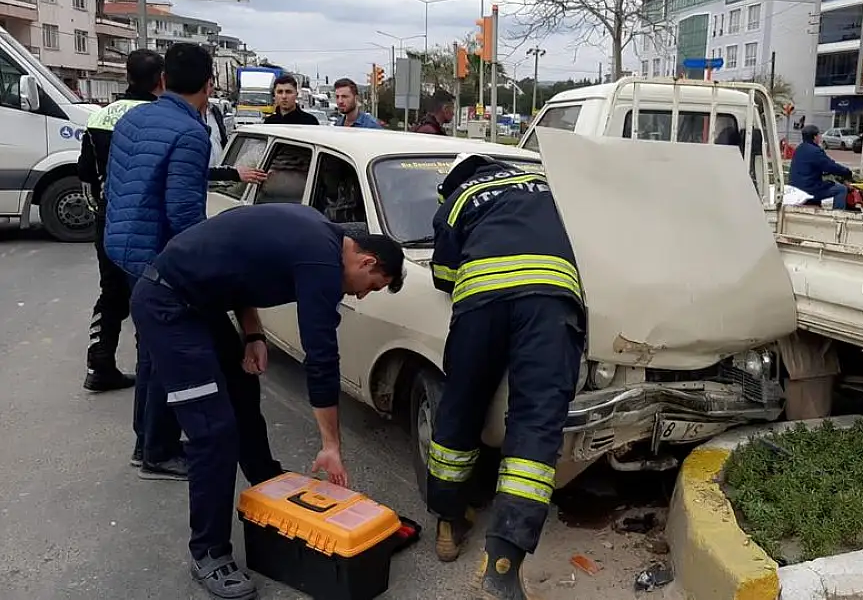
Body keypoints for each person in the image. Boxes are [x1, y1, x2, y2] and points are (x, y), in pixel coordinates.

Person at [129, 203, 404, 599]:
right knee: (214, 432)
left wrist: (253, 334)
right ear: (366, 261)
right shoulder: (321, 264)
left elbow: (239, 266)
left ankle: (268, 483)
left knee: (243, 390)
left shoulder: (314, 230)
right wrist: (331, 446)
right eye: (371, 285)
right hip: (169, 306)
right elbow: (321, 357)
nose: (361, 295)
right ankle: (208, 553)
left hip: (198, 301)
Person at [104, 43, 276, 484]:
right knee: (171, 350)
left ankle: (148, 443)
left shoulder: (132, 117)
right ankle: (157, 453)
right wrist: (206, 270)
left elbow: (135, 179)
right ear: (209, 84)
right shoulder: (190, 132)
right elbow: (184, 214)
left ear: (163, 81)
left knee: (151, 348)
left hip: (121, 246)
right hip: (157, 256)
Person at [427, 154, 585, 599]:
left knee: (460, 408)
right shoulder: (548, 188)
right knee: (536, 425)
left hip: (481, 304)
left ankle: (449, 521)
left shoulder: (460, 197)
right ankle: (502, 565)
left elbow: (443, 275)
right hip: (551, 303)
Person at [78, 49, 163, 394]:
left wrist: (99, 207)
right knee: (151, 291)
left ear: (127, 77)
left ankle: (100, 363)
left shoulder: (100, 117)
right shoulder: (158, 117)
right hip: (145, 220)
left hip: (107, 217)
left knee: (111, 291)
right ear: (161, 79)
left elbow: (85, 172)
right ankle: (153, 370)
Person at [789, 124, 854, 209]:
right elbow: (830, 166)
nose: (819, 137)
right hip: (808, 189)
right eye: (818, 135)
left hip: (795, 188)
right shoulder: (815, 151)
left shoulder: (799, 149)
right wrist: (846, 172)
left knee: (822, 184)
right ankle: (838, 217)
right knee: (841, 189)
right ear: (815, 137)